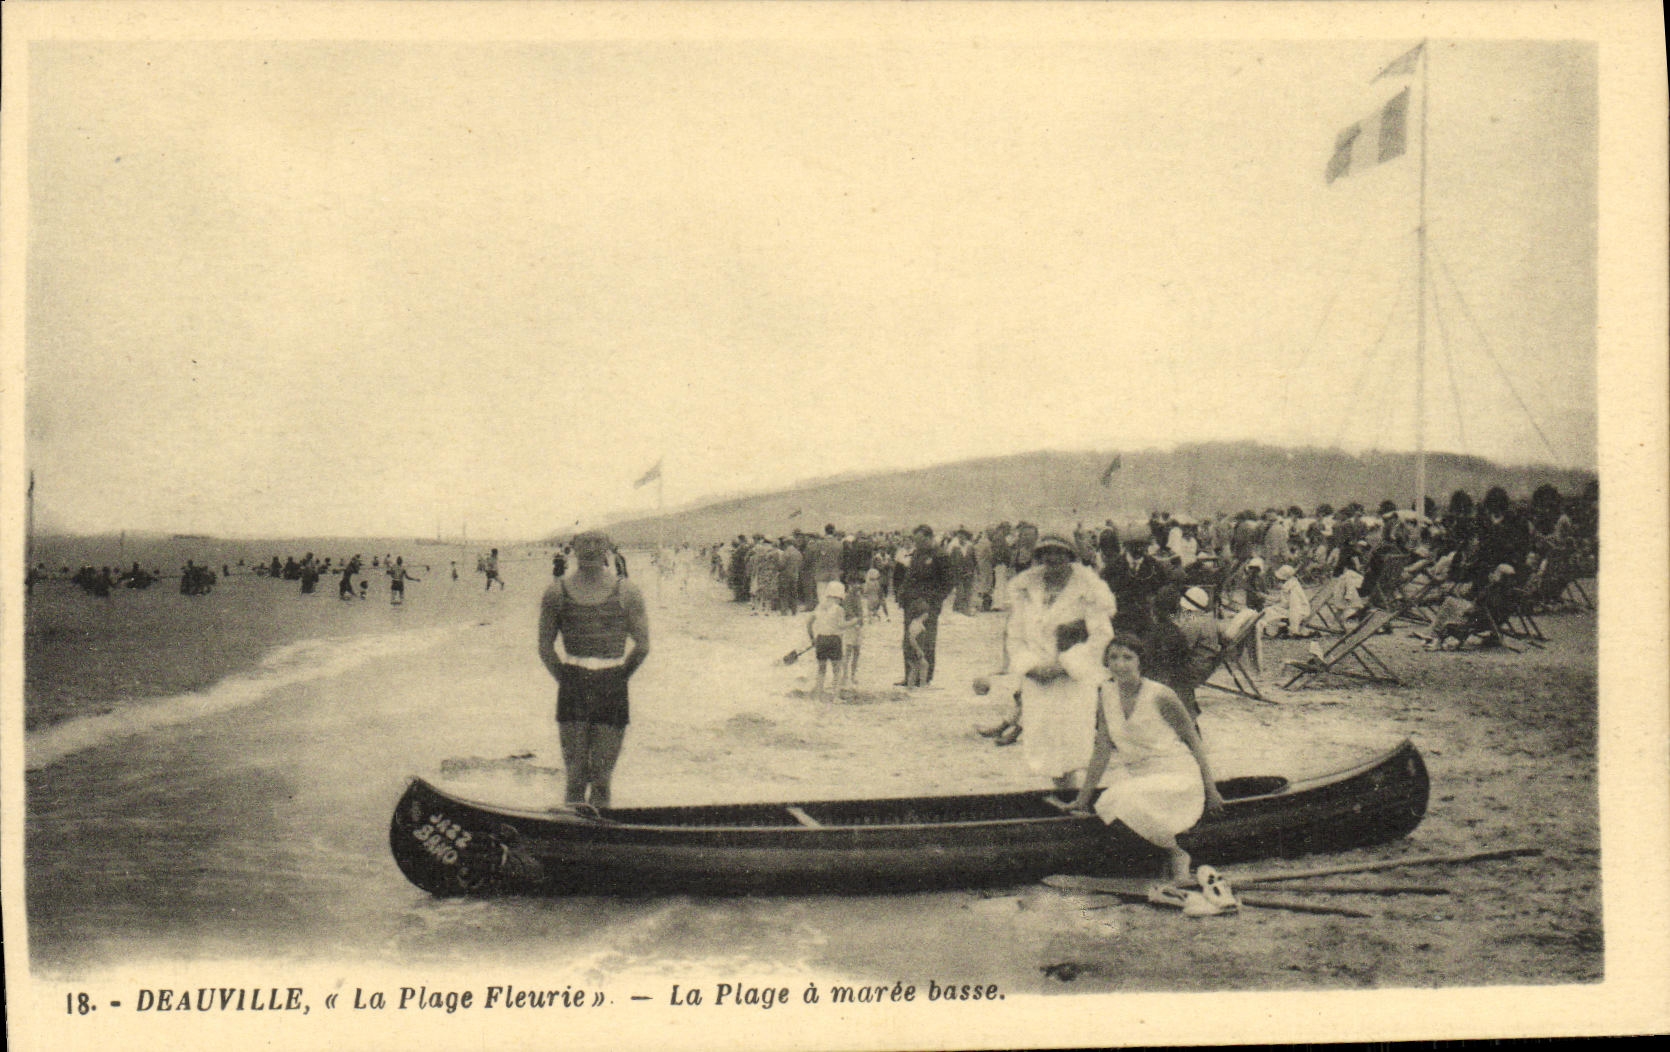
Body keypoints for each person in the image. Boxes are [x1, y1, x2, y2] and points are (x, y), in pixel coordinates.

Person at [1066, 634, 1224, 885]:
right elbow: (1103, 747)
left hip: (1179, 778)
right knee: (1112, 800)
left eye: (1128, 658)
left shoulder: (1160, 695)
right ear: (1106, 662)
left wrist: (1211, 790)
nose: (1120, 664)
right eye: (1113, 658)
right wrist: (1082, 798)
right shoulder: (1106, 693)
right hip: (1143, 781)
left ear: (1141, 661)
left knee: (1114, 798)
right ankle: (1160, 853)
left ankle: (1176, 853)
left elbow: (1193, 741)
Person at [988, 533, 1117, 795]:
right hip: (1038, 679)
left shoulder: (1089, 588)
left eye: (1059, 552)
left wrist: (1065, 666)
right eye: (1047, 552)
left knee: (1071, 744)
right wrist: (1030, 666)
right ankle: (1062, 793)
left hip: (1073, 679)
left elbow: (1101, 635)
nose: (1053, 558)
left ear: (1070, 555)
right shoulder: (1026, 588)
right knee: (1046, 746)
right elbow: (1014, 635)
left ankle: (1073, 796)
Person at [537, 530, 651, 808]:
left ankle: (600, 840)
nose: (590, 548)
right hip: (574, 682)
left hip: (611, 683)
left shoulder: (626, 591)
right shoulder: (556, 591)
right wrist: (566, 679)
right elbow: (545, 647)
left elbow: (642, 645)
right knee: (575, 776)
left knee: (602, 778)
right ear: (573, 547)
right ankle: (571, 841)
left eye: (597, 541)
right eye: (583, 542)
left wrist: (618, 677)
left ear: (608, 547)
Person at [895, 524, 953, 685]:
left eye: (920, 541)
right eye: (916, 541)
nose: (917, 544)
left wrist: (934, 602)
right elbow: (909, 576)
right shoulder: (918, 553)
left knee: (926, 641)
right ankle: (909, 677)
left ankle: (925, 678)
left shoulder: (941, 556)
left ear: (929, 538)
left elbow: (948, 584)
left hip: (928, 606)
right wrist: (902, 595)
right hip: (911, 603)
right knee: (909, 640)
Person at [807, 581, 855, 702]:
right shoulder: (838, 609)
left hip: (820, 638)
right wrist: (854, 622)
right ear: (839, 597)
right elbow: (841, 625)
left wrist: (812, 638)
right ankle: (836, 696)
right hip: (834, 640)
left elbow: (808, 622)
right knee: (837, 670)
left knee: (821, 669)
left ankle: (818, 696)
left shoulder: (819, 606)